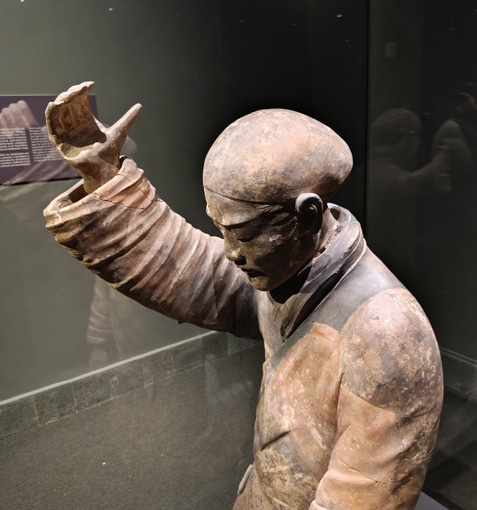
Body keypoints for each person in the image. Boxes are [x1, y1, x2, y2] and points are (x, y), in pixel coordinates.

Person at [44, 82, 443, 510]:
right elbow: (185, 265)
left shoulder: (388, 334)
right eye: (222, 230)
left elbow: (363, 494)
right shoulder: (287, 270)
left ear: (308, 214)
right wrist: (104, 176)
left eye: (245, 233)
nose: (232, 252)